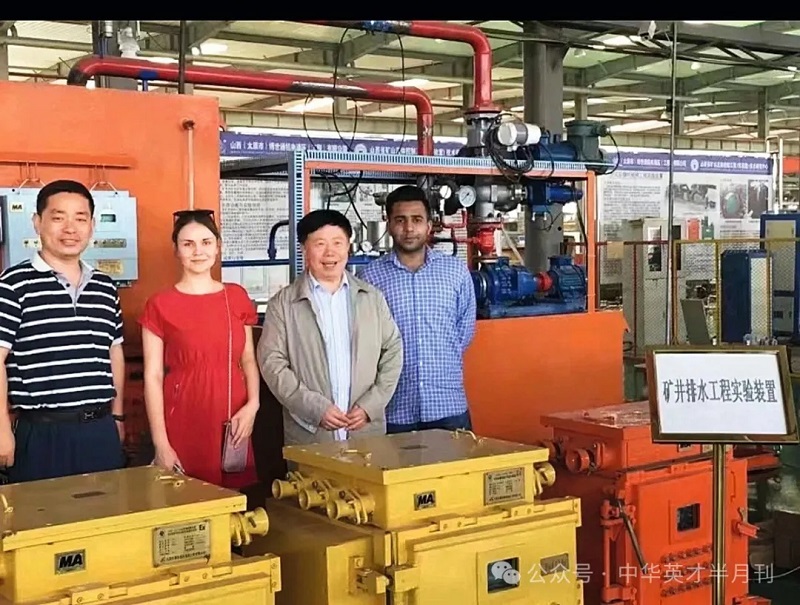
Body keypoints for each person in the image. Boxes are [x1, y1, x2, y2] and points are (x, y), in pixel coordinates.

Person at [0, 179, 126, 482]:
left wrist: (118, 416)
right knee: (41, 511)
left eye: (80, 218)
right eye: (58, 217)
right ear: (37, 222)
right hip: (42, 433)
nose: (70, 228)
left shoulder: (105, 287)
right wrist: (2, 429)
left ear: (92, 226)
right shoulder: (13, 285)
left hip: (100, 430)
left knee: (107, 509)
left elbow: (114, 352)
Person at [257, 209, 403, 446]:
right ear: (304, 249)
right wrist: (314, 408)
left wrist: (371, 405)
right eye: (320, 244)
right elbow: (271, 363)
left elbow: (393, 351)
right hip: (309, 432)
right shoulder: (283, 304)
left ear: (348, 247)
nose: (330, 252)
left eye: (337, 242)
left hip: (365, 430)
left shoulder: (371, 298)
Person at [139, 209, 260, 488]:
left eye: (206, 242)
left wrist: (253, 405)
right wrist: (161, 443)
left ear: (218, 247)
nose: (198, 251)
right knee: (184, 496)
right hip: (183, 414)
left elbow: (248, 360)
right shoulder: (159, 304)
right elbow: (152, 376)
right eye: (188, 244)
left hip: (233, 414)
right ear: (176, 250)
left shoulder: (236, 296)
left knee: (232, 500)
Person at [359, 185, 477, 434]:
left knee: (457, 461)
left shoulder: (455, 272)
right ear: (389, 224)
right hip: (393, 407)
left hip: (447, 405)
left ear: (429, 225)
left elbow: (463, 333)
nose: (409, 229)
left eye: (417, 220)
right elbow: (366, 339)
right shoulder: (370, 277)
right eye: (400, 220)